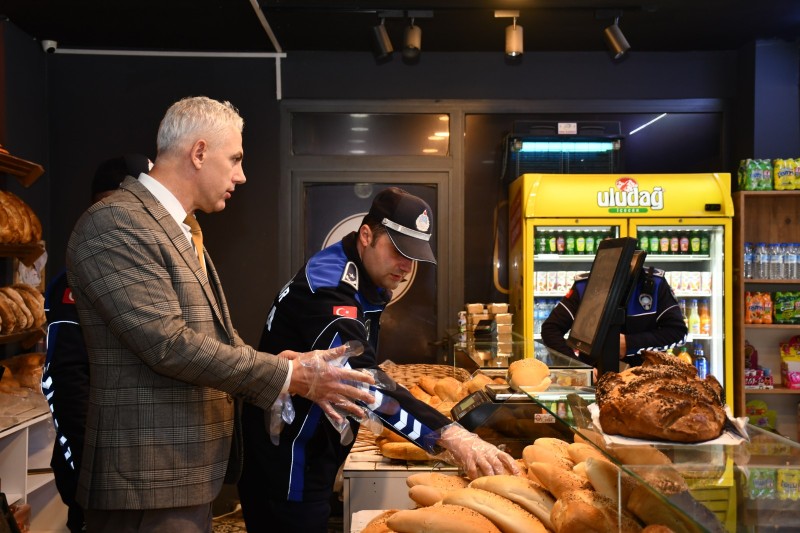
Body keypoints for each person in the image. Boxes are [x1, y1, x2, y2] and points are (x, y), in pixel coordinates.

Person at [65, 96, 375, 533]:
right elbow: (168, 345)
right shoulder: (117, 222)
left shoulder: (180, 228)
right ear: (199, 152)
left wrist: (279, 365)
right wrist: (287, 376)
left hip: (184, 478)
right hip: (147, 481)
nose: (241, 175)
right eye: (235, 159)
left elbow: (209, 340)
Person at [238, 186, 519, 533]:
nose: (407, 267)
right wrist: (450, 435)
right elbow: (361, 381)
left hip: (306, 450)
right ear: (366, 236)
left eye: (414, 256)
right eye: (398, 250)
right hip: (288, 462)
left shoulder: (356, 273)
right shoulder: (330, 288)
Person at [42, 153, 151, 533]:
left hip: (140, 476)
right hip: (100, 480)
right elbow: (66, 382)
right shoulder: (76, 280)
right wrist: (90, 475)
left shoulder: (136, 272)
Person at [540, 264, 688, 367]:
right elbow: (550, 329)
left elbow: (678, 333)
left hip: (647, 382)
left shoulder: (655, 284)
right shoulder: (585, 286)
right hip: (597, 380)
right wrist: (579, 367)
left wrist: (629, 343)